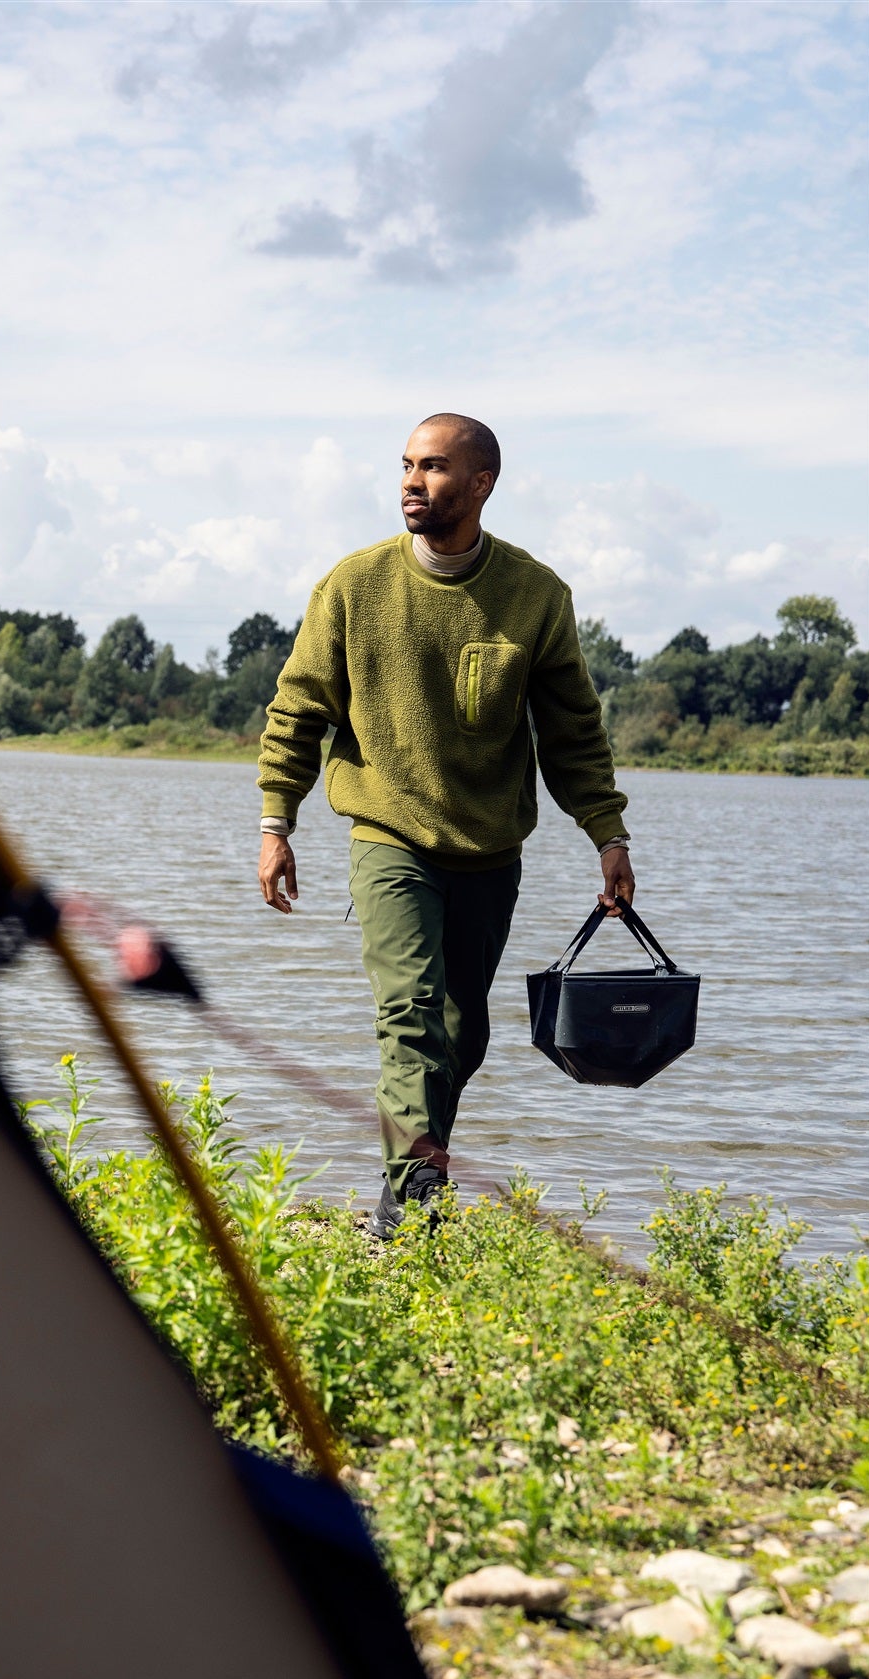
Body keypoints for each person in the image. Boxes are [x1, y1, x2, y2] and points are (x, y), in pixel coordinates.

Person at [256, 413, 634, 1240]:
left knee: (461, 1030)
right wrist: (274, 820)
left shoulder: (535, 596)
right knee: (412, 1013)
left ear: (480, 483)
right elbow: (296, 709)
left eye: (430, 468)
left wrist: (606, 833)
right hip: (387, 836)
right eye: (404, 466)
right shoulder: (354, 586)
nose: (409, 482)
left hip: (489, 849)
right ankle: (416, 1206)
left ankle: (403, 1191)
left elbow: (571, 729)